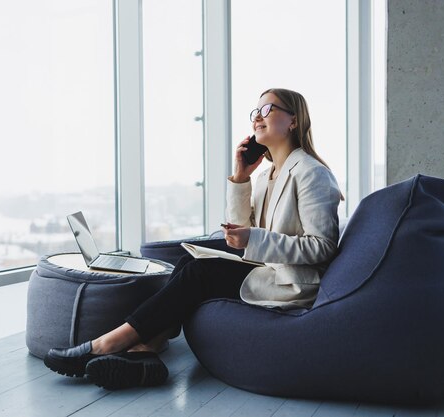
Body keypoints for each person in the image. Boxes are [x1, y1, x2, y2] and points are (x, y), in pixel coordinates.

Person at [44, 88, 343, 390]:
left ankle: (110, 342)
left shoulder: (311, 173)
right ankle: (146, 351)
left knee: (200, 272)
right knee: (190, 260)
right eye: (255, 112)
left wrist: (254, 237)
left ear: (293, 121)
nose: (257, 118)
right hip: (268, 270)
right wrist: (241, 178)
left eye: (267, 110)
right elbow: (240, 232)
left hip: (292, 283)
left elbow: (322, 247)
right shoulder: (266, 177)